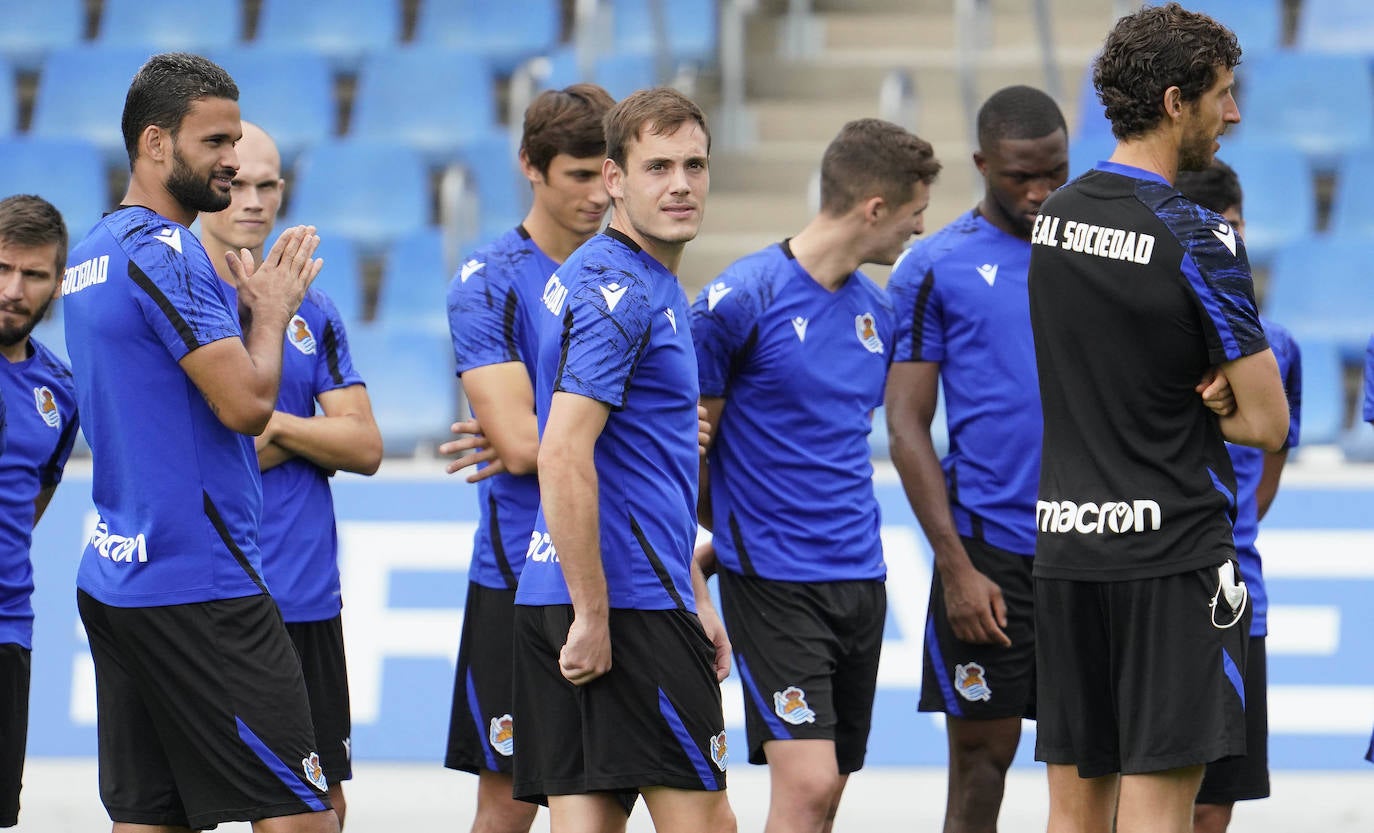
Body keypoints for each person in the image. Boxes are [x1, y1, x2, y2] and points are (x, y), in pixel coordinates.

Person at [1026, 5, 1291, 833]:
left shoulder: (1054, 221)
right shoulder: (1198, 233)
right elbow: (1267, 423)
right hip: (1174, 559)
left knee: (1071, 817)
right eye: (1222, 94)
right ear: (1177, 102)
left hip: (1067, 549)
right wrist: (1215, 395)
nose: (1234, 113)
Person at [61, 53, 338, 832]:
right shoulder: (166, 250)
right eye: (216, 142)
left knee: (153, 818)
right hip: (201, 581)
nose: (234, 160)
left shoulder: (91, 252)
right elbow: (249, 405)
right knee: (304, 815)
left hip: (118, 575)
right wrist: (272, 310)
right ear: (155, 143)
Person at [691, 118, 941, 833]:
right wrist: (723, 547)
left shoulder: (878, 315)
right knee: (807, 785)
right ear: (875, 210)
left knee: (826, 794)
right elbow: (688, 453)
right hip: (774, 582)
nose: (918, 230)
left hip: (860, 577)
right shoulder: (740, 300)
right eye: (915, 213)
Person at [511, 87, 735, 833]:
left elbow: (637, 460)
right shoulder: (620, 290)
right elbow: (564, 448)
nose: (680, 184)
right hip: (621, 601)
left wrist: (695, 595)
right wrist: (595, 611)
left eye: (695, 165)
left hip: (575, 589)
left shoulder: (626, 278)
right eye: (658, 166)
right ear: (614, 179)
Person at [885, 86, 1067, 833]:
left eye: (1054, 172)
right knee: (981, 768)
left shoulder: (1099, 253)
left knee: (1100, 766)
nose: (1040, 191)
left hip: (1093, 549)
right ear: (982, 163)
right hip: (990, 554)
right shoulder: (934, 266)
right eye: (1021, 175)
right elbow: (905, 421)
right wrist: (956, 567)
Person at [198, 121, 382, 830]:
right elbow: (205, 458)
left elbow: (364, 444)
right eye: (235, 182)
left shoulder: (317, 307)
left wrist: (271, 427)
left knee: (321, 807)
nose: (251, 199)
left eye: (266, 184)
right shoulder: (187, 300)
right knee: (186, 805)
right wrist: (308, 435)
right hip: (212, 597)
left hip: (305, 598)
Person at [442, 82, 614, 833]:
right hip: (519, 577)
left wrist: (542, 427)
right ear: (531, 168)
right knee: (508, 805)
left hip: (624, 571)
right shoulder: (488, 282)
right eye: (579, 174)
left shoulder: (634, 273)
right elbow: (515, 447)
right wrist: (550, 432)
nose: (598, 193)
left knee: (618, 794)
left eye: (607, 172)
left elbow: (528, 434)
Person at [1174, 159, 1302, 833]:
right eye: (1216, 227)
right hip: (1157, 587)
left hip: (1236, 596)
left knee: (1215, 802)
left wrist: (1235, 528)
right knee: (1138, 791)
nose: (1232, 239)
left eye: (1238, 225)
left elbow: (1271, 461)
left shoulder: (1275, 347)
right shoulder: (1152, 340)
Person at [0, 195, 80, 829]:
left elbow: (33, 501)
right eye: (1, 268)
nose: (13, 289)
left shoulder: (60, 390)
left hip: (7, 628)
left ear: (56, 285)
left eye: (32, 275)